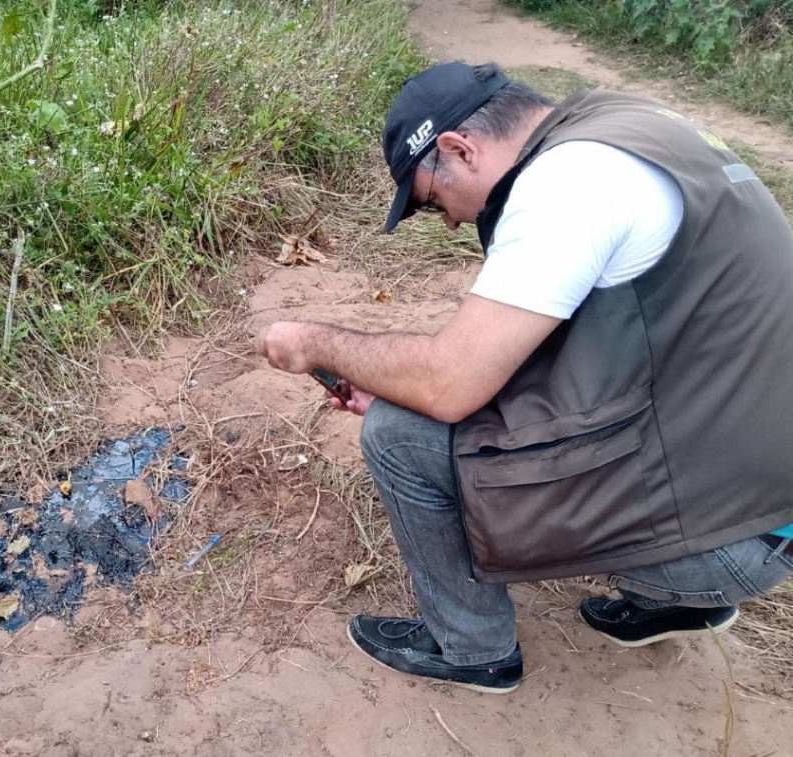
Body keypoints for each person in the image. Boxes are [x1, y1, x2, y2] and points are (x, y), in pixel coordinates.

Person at [256, 61, 793, 694]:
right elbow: (586, 355)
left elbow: (449, 385)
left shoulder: (567, 185)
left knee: (397, 434)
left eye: (432, 201)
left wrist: (315, 343)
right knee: (436, 409)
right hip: (760, 506)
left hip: (733, 540)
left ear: (459, 149)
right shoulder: (624, 127)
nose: (450, 222)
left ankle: (471, 648)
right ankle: (685, 602)